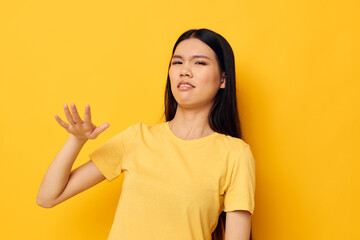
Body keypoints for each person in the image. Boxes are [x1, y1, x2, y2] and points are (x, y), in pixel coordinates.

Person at [36, 28, 256, 240]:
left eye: (199, 63)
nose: (184, 71)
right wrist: (77, 140)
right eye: (177, 62)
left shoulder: (235, 154)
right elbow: (47, 197)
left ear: (223, 79)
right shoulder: (137, 138)